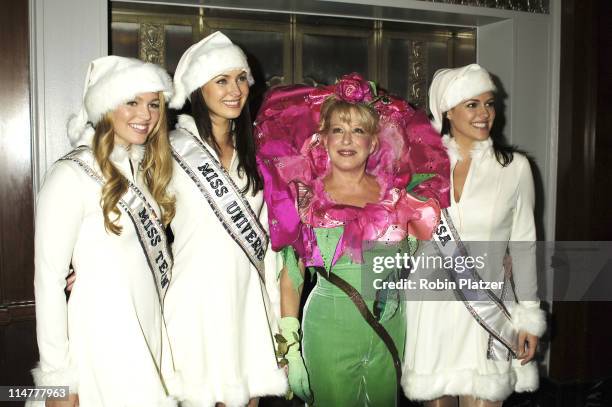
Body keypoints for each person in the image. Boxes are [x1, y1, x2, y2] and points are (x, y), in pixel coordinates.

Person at [254, 73, 450, 406]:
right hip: (329, 332)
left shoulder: (399, 196)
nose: (347, 140)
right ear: (324, 139)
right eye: (338, 130)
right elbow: (292, 274)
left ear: (373, 142)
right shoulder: (304, 196)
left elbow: (418, 265)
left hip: (389, 331)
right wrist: (290, 341)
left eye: (358, 130)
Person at [31, 56, 178, 406]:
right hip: (99, 338)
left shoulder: (145, 173)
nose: (146, 115)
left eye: (154, 104)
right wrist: (57, 381)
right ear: (106, 105)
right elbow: (49, 281)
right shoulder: (71, 174)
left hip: (145, 330)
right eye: (132, 102)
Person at [402, 64, 546, 407]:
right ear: (447, 111)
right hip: (432, 307)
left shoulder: (515, 169)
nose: (485, 114)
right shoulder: (420, 166)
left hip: (488, 305)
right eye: (472, 104)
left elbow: (524, 246)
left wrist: (529, 314)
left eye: (489, 103)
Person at [165, 31, 286, 406]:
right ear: (199, 89)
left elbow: (268, 235)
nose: (235, 89)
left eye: (240, 78)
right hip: (196, 298)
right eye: (222, 80)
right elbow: (128, 212)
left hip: (248, 297)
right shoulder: (169, 150)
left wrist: (279, 315)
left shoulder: (256, 150)